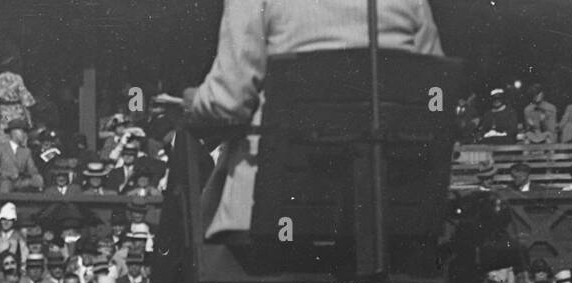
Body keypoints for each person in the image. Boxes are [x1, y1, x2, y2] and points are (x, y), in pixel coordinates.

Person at [183, 0, 442, 238]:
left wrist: (194, 101)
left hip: (277, 211)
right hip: (384, 213)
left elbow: (228, 101)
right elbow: (435, 95)